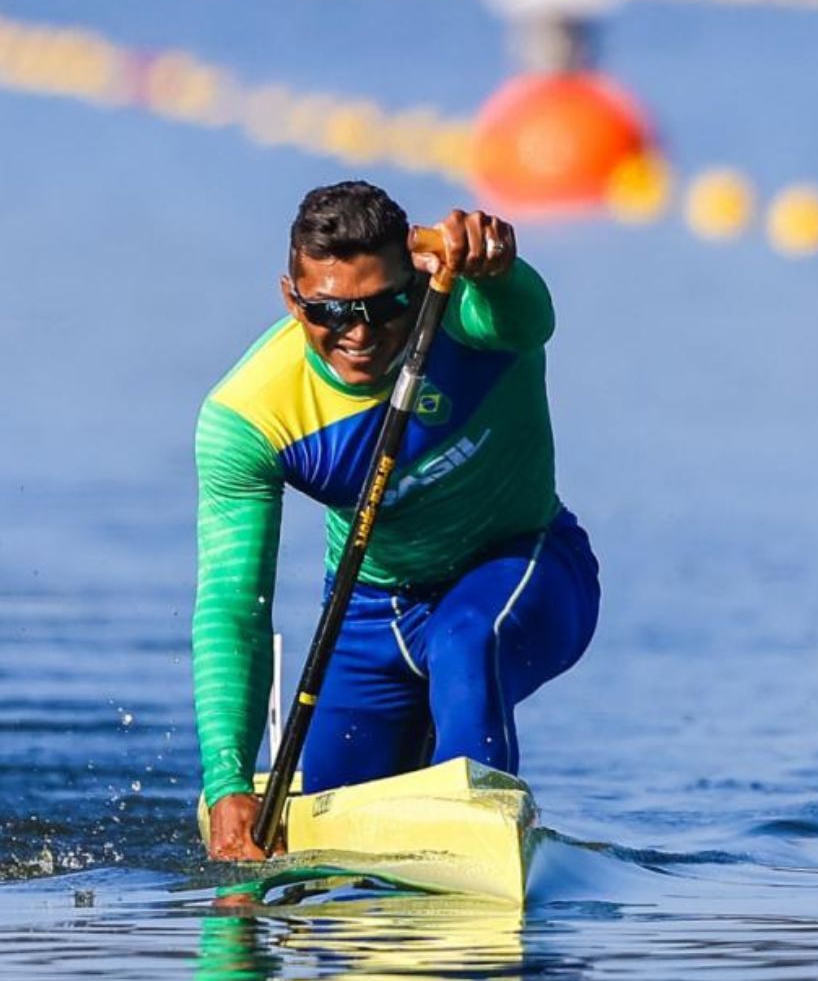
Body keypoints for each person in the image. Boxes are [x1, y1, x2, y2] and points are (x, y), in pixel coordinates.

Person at [193, 180, 600, 860]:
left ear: (417, 282)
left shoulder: (467, 313)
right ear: (292, 299)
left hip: (525, 567)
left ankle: (481, 844)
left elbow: (530, 317)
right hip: (368, 615)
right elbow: (234, 606)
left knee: (467, 640)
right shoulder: (247, 417)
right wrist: (228, 782)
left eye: (386, 307)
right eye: (330, 311)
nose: (359, 334)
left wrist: (499, 265)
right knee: (326, 834)